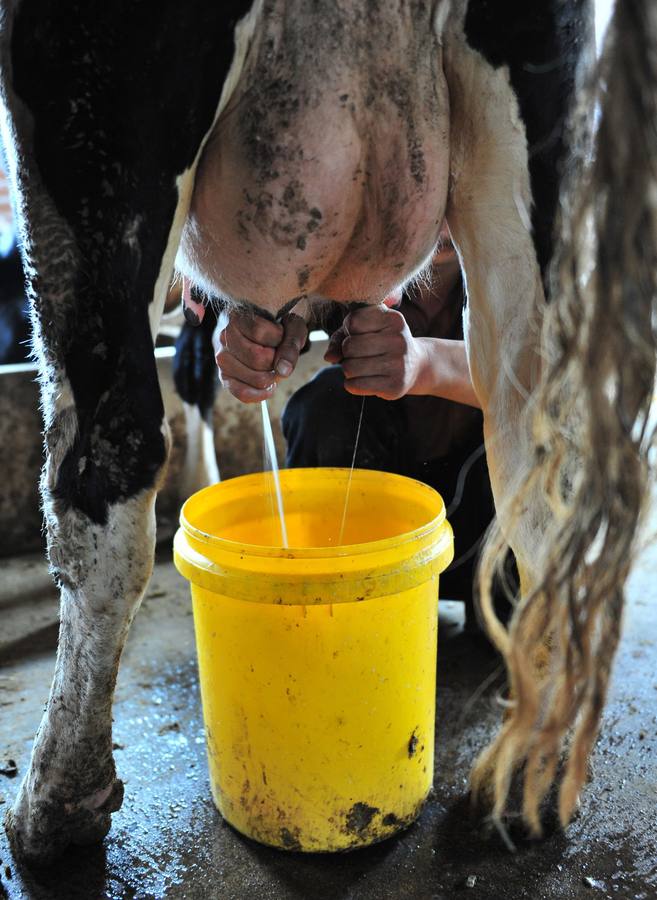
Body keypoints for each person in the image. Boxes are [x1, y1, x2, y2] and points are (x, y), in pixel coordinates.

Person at [214, 232, 505, 623]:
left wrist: (425, 363)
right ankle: (337, 600)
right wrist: (246, 333)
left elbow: (568, 381)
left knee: (526, 644)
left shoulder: (538, 253)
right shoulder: (348, 254)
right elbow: (269, 298)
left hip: (492, 528)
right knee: (325, 406)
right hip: (378, 531)